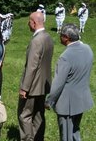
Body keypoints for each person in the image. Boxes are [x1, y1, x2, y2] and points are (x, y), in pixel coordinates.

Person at [45, 23, 94, 141]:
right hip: (82, 100)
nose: (59, 37)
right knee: (75, 132)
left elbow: (58, 84)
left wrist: (49, 101)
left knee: (66, 136)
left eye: (61, 35)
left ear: (66, 37)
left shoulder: (65, 57)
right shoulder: (88, 49)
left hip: (67, 104)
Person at [17, 12, 54, 141]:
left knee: (24, 115)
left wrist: (24, 88)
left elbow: (32, 66)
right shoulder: (48, 37)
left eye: (29, 21)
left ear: (34, 22)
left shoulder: (36, 40)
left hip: (32, 86)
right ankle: (38, 138)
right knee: (39, 115)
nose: (28, 23)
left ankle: (28, 139)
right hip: (43, 85)